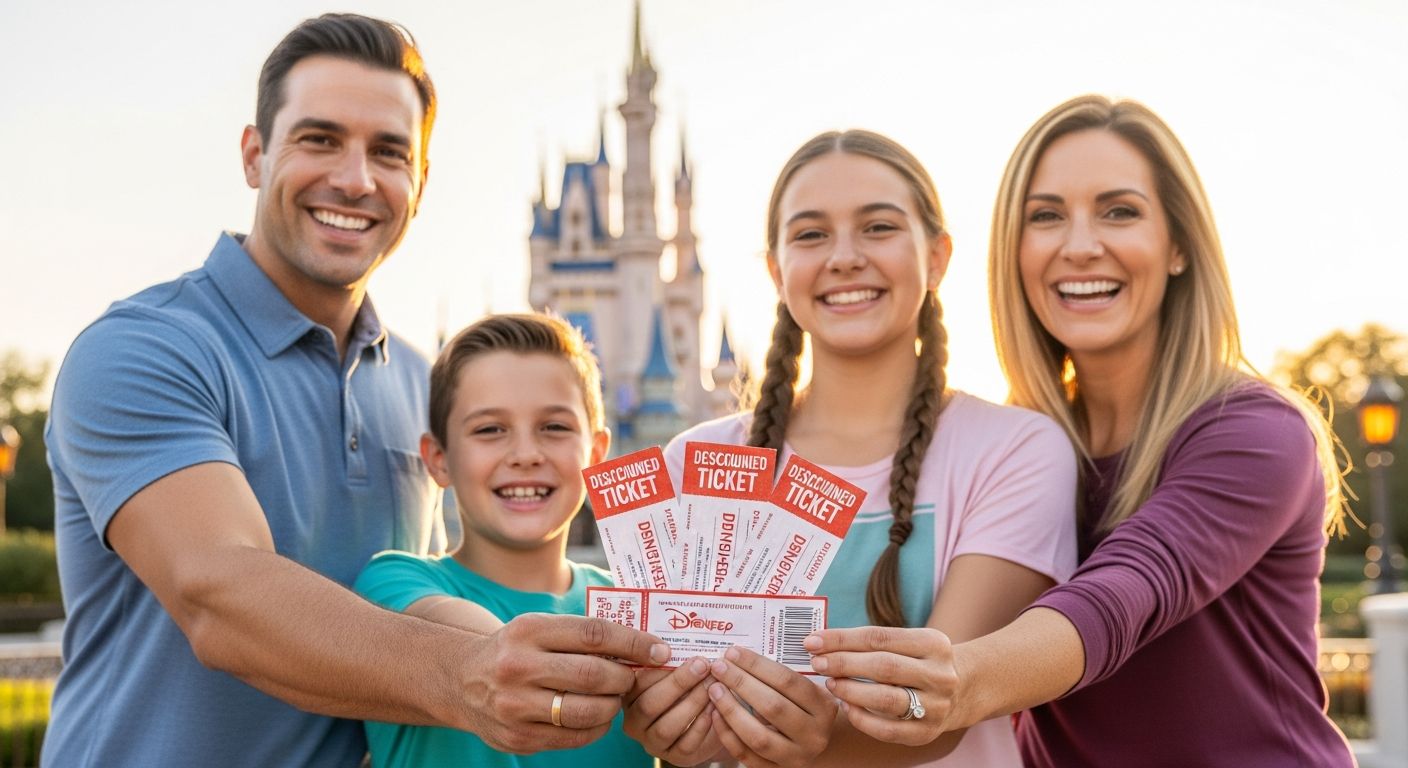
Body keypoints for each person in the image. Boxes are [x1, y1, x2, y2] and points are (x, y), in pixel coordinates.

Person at [43, 15, 668, 768]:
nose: (355, 178)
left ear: (421, 183)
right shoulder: (146, 351)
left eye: (389, 152)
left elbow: (435, 598)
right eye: (319, 139)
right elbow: (220, 595)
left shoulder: (417, 382)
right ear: (254, 154)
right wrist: (470, 673)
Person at [804, 95, 1356, 767]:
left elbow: (1123, 595)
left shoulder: (1256, 433)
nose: (1081, 245)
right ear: (1016, 251)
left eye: (1119, 211)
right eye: (1046, 217)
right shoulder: (1017, 451)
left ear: (1179, 244)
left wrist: (959, 681)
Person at [623, 130, 1079, 767]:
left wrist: (820, 739)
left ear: (938, 256)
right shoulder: (693, 461)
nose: (844, 257)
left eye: (879, 227)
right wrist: (660, 720)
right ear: (778, 272)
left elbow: (947, 705)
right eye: (811, 234)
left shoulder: (1016, 451)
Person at [353, 313, 656, 768]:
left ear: (595, 455)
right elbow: (492, 650)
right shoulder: (393, 585)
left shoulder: (636, 604)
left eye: (554, 427)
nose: (525, 455)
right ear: (439, 460)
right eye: (490, 429)